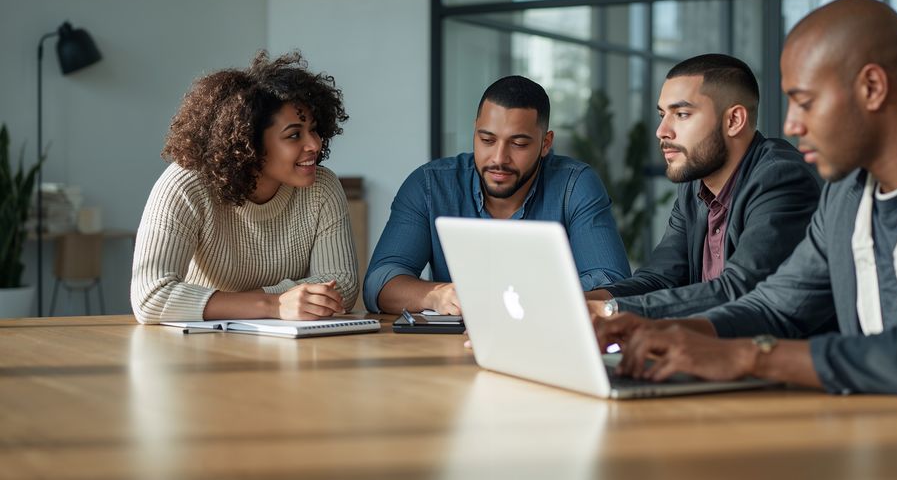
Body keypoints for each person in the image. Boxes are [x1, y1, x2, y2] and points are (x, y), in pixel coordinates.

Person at [595, 0, 897, 449]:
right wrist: (674, 333)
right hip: (889, 439)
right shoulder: (847, 191)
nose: (789, 125)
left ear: (872, 87)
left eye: (805, 101)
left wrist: (745, 355)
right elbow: (776, 308)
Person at [364, 75, 630, 315]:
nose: (499, 159)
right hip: (452, 353)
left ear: (545, 143)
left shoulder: (575, 185)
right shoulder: (429, 185)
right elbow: (380, 282)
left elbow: (615, 286)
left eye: (519, 144)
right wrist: (434, 296)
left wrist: (531, 299)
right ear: (475, 131)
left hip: (544, 345)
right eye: (487, 140)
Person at [585, 54, 820, 319]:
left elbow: (740, 289)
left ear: (733, 121)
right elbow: (659, 278)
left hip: (773, 354)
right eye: (663, 115)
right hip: (710, 349)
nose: (662, 131)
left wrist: (610, 309)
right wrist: (583, 301)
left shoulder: (781, 178)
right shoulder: (694, 186)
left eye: (682, 114)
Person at [131, 51, 358, 324]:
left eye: (314, 129)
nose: (314, 145)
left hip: (287, 349)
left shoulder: (322, 187)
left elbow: (341, 285)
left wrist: (267, 303)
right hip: (199, 350)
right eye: (294, 135)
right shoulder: (186, 185)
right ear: (247, 142)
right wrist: (272, 304)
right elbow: (151, 296)